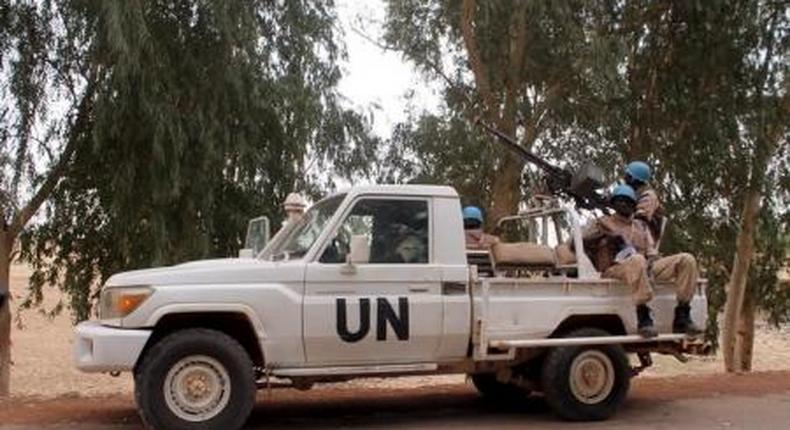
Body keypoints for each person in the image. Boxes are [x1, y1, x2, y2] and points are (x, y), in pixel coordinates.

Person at [582, 184, 701, 338]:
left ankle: (683, 314)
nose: (624, 204)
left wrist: (652, 262)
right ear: (614, 204)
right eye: (620, 201)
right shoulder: (602, 222)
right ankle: (643, 316)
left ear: (633, 205)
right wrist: (604, 237)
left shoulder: (640, 226)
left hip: (643, 266)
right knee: (637, 260)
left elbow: (651, 252)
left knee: (687, 259)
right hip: (614, 269)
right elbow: (581, 240)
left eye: (628, 201)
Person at [623, 161, 664, 242]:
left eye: (628, 176)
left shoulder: (648, 196)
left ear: (634, 179)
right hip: (633, 233)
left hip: (644, 237)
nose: (625, 178)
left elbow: (640, 219)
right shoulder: (635, 194)